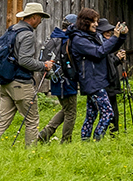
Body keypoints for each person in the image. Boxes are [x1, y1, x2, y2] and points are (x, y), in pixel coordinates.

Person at [0, 3, 55, 152]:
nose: (40, 21)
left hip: (6, 83)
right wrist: (43, 66)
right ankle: (31, 153)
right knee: (32, 120)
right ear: (33, 17)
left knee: (1, 120)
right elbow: (24, 61)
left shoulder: (12, 30)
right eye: (40, 18)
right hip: (21, 84)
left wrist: (2, 85)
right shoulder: (27, 35)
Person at [69, 8, 126, 140]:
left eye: (97, 22)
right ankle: (97, 139)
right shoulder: (79, 40)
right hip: (92, 82)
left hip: (97, 80)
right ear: (85, 22)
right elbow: (99, 52)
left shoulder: (93, 36)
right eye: (94, 22)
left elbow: (109, 47)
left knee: (91, 114)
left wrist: (121, 36)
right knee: (108, 113)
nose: (96, 24)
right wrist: (115, 37)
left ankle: (85, 141)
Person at [38, 14, 79, 144]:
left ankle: (46, 134)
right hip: (66, 79)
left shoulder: (53, 38)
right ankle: (66, 140)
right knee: (71, 112)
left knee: (67, 108)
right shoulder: (67, 40)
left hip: (55, 80)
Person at [97, 18, 127, 134]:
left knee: (112, 109)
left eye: (109, 30)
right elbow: (105, 64)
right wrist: (117, 58)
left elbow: (114, 47)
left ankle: (113, 133)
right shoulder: (100, 45)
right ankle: (102, 134)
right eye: (106, 31)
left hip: (111, 82)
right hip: (105, 83)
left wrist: (123, 36)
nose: (109, 32)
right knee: (106, 111)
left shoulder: (105, 43)